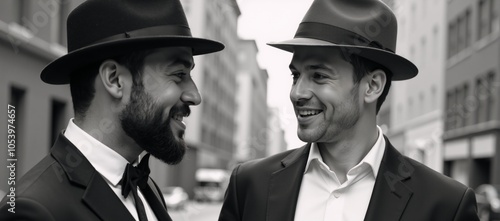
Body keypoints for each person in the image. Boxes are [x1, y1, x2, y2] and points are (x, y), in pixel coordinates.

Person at [218, 0, 479, 220]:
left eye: (319, 76)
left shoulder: (446, 206)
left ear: (372, 86)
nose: (297, 92)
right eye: (295, 75)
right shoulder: (250, 185)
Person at [0, 0, 223, 220]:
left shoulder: (148, 190)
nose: (195, 96)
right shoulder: (33, 211)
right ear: (115, 80)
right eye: (178, 75)